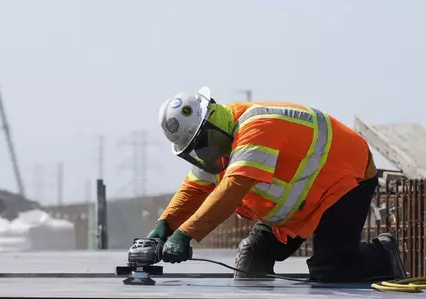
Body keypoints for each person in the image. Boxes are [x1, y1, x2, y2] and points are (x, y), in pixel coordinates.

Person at [147, 87, 407, 282]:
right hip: (301, 205)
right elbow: (194, 188)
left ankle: (384, 254)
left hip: (342, 182)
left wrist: (185, 234)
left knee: (331, 269)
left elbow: (233, 189)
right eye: (195, 149)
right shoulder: (217, 148)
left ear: (214, 119)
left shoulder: (257, 127)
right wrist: (164, 225)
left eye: (203, 141)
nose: (203, 152)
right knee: (251, 260)